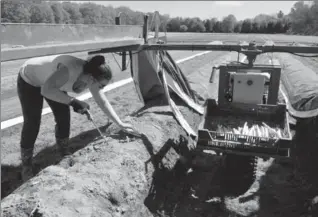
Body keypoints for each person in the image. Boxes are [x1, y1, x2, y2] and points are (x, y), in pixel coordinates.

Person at [17, 54, 139, 181]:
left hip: (52, 81)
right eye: (101, 86)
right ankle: (26, 165)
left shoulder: (91, 75)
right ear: (92, 79)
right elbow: (47, 90)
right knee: (33, 121)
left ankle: (63, 152)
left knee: (63, 115)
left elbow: (102, 101)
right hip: (30, 80)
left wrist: (120, 123)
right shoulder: (69, 71)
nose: (101, 89)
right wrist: (73, 102)